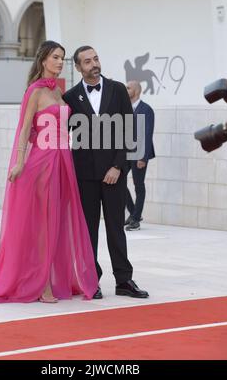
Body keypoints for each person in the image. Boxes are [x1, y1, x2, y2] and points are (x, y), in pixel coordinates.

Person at [0, 41, 98, 304]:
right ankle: (43, 284)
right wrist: (19, 162)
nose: (60, 62)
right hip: (43, 161)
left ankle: (56, 278)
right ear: (43, 60)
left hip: (63, 160)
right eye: (56, 57)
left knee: (58, 223)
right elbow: (25, 129)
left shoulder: (60, 93)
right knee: (44, 225)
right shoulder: (35, 91)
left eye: (62, 58)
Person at [63, 46, 149, 299]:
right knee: (88, 230)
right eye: (87, 61)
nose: (94, 64)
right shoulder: (70, 97)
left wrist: (117, 166)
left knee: (115, 228)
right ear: (78, 67)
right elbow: (64, 135)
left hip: (114, 172)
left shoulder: (118, 90)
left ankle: (124, 280)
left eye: (96, 58)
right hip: (84, 175)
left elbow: (129, 130)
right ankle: (92, 280)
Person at [125, 81, 155, 231]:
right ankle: (133, 213)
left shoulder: (146, 109)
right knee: (118, 182)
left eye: (128, 88)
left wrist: (143, 157)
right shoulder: (124, 108)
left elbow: (147, 134)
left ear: (136, 91)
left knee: (139, 185)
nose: (125, 89)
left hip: (139, 154)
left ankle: (136, 220)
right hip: (125, 153)